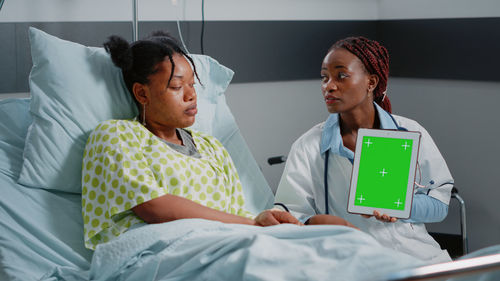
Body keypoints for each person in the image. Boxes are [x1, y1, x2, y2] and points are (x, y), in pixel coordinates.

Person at [81, 31, 302, 250]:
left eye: (193, 85)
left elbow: (234, 213)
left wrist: (264, 219)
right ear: (142, 94)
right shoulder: (117, 136)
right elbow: (154, 207)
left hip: (225, 242)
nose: (191, 96)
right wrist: (252, 224)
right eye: (177, 87)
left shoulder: (212, 147)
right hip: (154, 252)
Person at [274, 36, 454, 263]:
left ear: (371, 82)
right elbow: (289, 215)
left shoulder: (408, 132)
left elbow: (439, 204)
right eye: (324, 77)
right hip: (347, 261)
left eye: (341, 75)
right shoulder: (308, 146)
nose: (328, 86)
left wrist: (399, 206)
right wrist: (318, 224)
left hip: (416, 257)